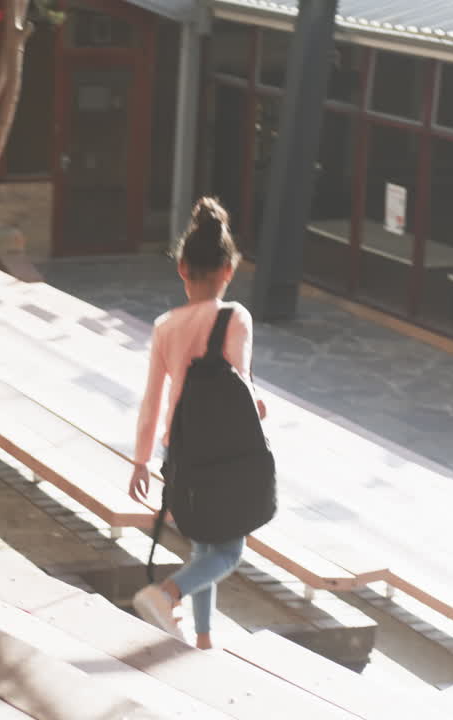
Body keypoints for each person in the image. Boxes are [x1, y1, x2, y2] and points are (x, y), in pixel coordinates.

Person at [127, 196, 266, 650]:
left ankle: (204, 639)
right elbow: (240, 385)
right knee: (228, 550)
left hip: (180, 450)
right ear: (229, 270)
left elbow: (151, 400)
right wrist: (259, 408)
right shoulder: (235, 317)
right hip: (225, 451)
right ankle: (166, 594)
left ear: (182, 268)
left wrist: (141, 461)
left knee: (205, 547)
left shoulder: (165, 326)